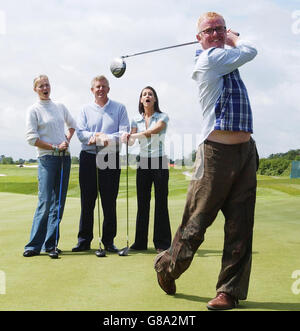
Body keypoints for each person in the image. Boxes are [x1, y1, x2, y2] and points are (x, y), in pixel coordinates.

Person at [154, 12, 258, 310]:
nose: (215, 33)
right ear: (198, 38)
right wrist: (234, 37)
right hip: (215, 153)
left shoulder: (228, 61)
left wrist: (228, 39)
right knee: (196, 223)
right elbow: (251, 50)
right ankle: (167, 266)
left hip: (245, 152)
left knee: (240, 226)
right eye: (208, 30)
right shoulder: (209, 60)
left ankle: (228, 292)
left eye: (220, 28)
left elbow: (242, 56)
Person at [72, 75, 129, 253]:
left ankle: (109, 241)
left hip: (110, 157)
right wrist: (99, 136)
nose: (100, 89)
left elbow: (124, 133)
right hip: (88, 158)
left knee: (109, 201)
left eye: (104, 86)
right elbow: (80, 134)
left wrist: (106, 137)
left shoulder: (119, 108)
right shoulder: (84, 109)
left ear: (108, 89)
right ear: (92, 90)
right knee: (87, 200)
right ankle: (84, 240)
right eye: (97, 87)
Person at [24, 75, 76, 257]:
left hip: (64, 159)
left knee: (58, 204)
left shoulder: (60, 107)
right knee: (45, 202)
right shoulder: (33, 110)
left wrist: (66, 140)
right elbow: (32, 139)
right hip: (47, 159)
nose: (45, 88)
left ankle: (51, 244)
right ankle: (33, 246)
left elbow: (72, 126)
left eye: (47, 85)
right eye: (41, 86)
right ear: (35, 89)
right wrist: (54, 146)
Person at [122, 86, 172, 253]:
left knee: (161, 202)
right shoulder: (135, 119)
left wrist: (133, 136)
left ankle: (163, 243)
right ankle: (140, 242)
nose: (147, 96)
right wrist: (126, 137)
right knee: (142, 203)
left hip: (159, 162)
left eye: (150, 94)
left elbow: (152, 131)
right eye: (144, 94)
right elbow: (131, 142)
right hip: (143, 162)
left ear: (155, 99)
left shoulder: (162, 117)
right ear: (141, 100)